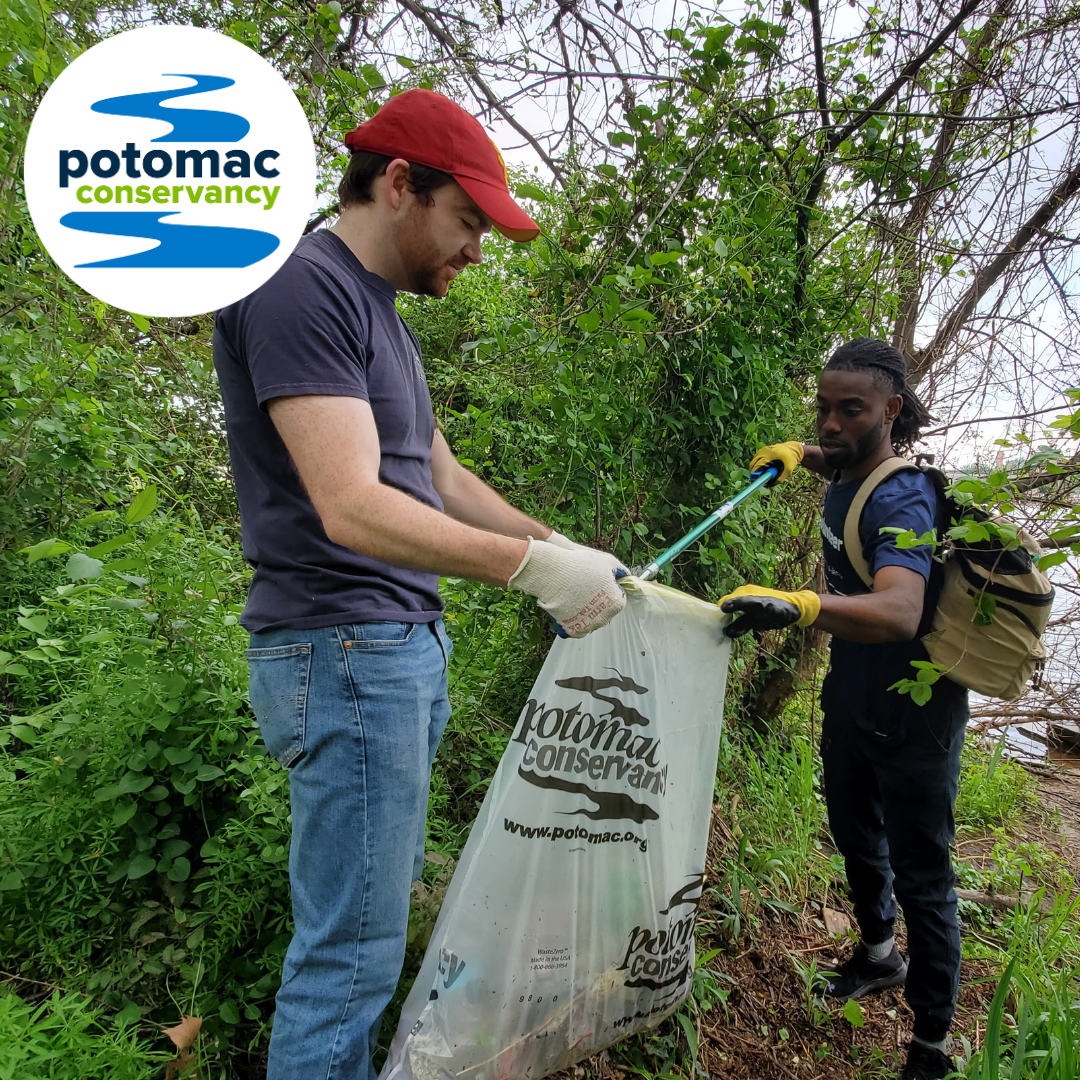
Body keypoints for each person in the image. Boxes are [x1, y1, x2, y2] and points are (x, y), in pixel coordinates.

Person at [213, 89, 628, 1080]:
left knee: (364, 943)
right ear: (400, 185)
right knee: (347, 963)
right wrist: (535, 574)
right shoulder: (297, 288)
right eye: (470, 220)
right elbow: (352, 505)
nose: (479, 249)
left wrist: (563, 544)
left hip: (388, 654)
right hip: (347, 650)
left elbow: (436, 475)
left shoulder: (380, 316)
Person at [718, 339, 969, 1080]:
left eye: (848, 410)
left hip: (917, 715)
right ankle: (878, 955)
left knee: (924, 871)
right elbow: (835, 459)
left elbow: (896, 610)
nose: (829, 422)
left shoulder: (902, 496)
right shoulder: (851, 460)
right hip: (853, 694)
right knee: (854, 826)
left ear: (891, 411)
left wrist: (800, 606)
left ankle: (932, 1044)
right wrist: (795, 453)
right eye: (821, 408)